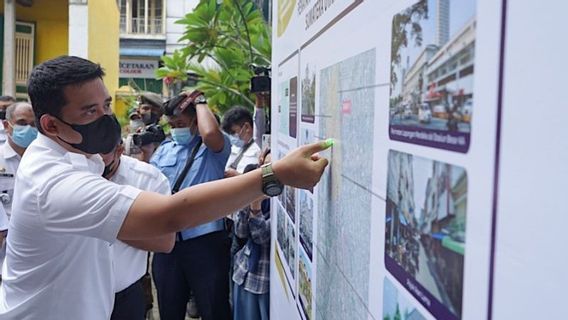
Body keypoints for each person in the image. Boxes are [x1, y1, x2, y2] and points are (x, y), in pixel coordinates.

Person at [0, 55, 328, 319]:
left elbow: (162, 235)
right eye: (90, 111)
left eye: (106, 105)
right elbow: (169, 215)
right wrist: (275, 176)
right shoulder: (53, 182)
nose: (105, 118)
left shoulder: (76, 155)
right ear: (51, 124)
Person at [150, 90, 232, 320]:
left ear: (196, 122)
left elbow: (210, 133)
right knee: (168, 309)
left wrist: (200, 102)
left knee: (213, 308)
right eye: (172, 124)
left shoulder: (212, 149)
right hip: (168, 244)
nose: (176, 129)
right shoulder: (165, 149)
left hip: (205, 244)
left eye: (181, 123)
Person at [101, 141, 174, 320]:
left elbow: (164, 242)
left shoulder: (148, 179)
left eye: (101, 160)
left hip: (126, 294)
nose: (93, 165)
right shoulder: (71, 172)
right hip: (77, 293)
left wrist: (106, 224)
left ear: (119, 150)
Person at [232, 148, 272, 320]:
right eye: (266, 166)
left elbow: (261, 237)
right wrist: (246, 199)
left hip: (262, 278)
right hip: (243, 271)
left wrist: (255, 207)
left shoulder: (281, 197)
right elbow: (240, 232)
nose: (269, 171)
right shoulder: (258, 189)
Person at [0, 102, 38, 278]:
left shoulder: (44, 161)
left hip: (34, 249)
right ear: (8, 125)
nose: (29, 129)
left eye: (33, 124)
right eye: (22, 123)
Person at [222, 106, 262, 178]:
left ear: (247, 127)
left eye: (234, 132)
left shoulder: (259, 149)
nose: (232, 137)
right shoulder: (235, 148)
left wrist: (238, 176)